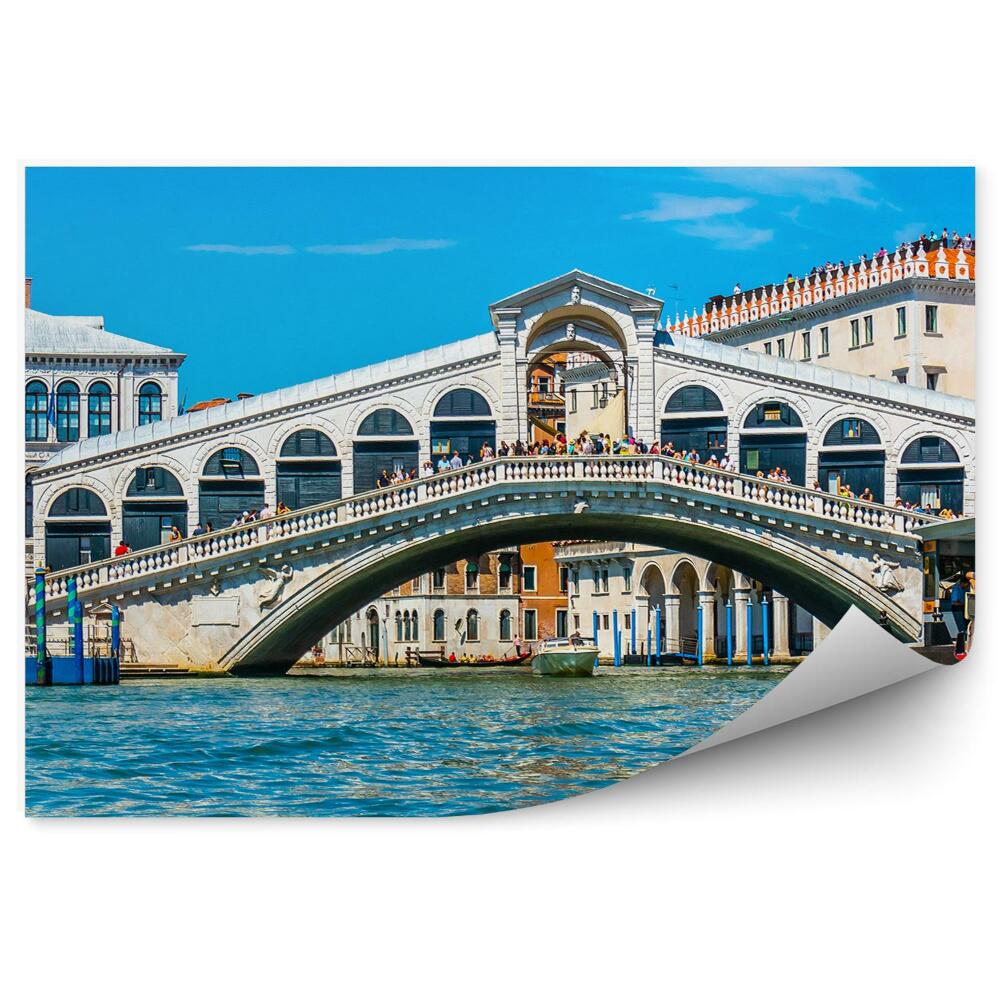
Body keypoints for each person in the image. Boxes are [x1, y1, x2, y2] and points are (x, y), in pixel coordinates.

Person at [950, 570, 975, 659]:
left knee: (967, 627)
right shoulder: (956, 588)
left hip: (965, 608)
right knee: (962, 628)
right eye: (967, 585)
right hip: (958, 609)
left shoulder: (967, 587)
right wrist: (966, 604)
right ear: (963, 583)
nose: (968, 587)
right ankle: (961, 646)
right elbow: (955, 602)